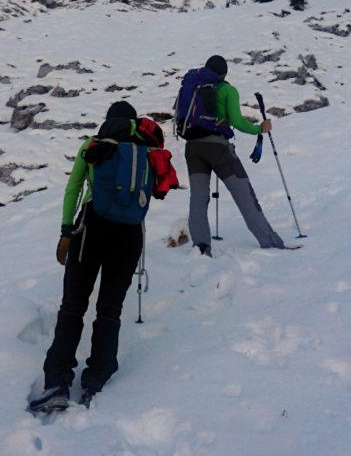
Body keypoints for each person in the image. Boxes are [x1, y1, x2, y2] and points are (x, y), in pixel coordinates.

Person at [29, 101, 178, 414]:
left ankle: (57, 382)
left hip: (91, 230)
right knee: (110, 309)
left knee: (73, 305)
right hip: (130, 236)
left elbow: (73, 189)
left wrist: (66, 231)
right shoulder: (149, 151)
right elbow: (158, 191)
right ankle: (96, 378)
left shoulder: (95, 145)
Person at [177, 55, 286, 256]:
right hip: (218, 148)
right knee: (244, 193)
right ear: (224, 73)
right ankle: (270, 242)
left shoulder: (193, 88)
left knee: (198, 198)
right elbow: (237, 120)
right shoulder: (227, 90)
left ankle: (201, 247)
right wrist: (259, 129)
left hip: (192, 148)